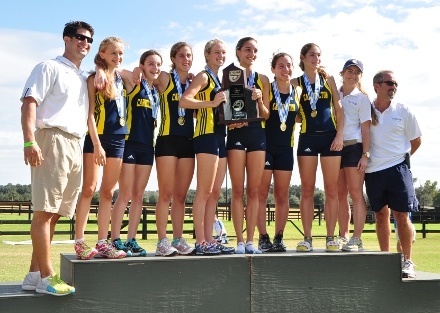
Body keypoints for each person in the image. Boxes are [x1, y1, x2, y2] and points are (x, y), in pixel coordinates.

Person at [20, 21, 94, 296]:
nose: (84, 43)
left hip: (76, 142)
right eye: (79, 37)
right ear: (66, 39)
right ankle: (48, 276)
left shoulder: (82, 76)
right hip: (52, 137)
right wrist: (29, 141)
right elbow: (29, 103)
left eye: (88, 40)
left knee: (55, 214)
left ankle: (34, 274)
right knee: (43, 211)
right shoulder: (48, 67)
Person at [74, 37, 128, 260]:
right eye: (113, 53)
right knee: (89, 188)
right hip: (96, 139)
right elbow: (89, 116)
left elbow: (137, 70)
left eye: (121, 53)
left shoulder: (122, 78)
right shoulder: (93, 79)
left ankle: (103, 242)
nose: (118, 57)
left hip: (118, 139)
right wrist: (97, 145)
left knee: (108, 192)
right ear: (103, 54)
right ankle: (79, 242)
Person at [365, 70, 421, 278]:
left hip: (398, 169)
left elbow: (416, 141)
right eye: (389, 83)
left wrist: (401, 159)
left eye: (395, 84)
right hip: (373, 171)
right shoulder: (366, 110)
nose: (393, 87)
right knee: (381, 216)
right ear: (376, 86)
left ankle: (407, 261)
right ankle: (385, 259)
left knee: (401, 215)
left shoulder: (403, 110)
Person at [180, 39, 234, 255]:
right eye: (216, 52)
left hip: (221, 136)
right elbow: (184, 101)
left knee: (214, 193)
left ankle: (210, 240)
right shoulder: (203, 76)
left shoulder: (221, 79)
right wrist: (211, 104)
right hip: (205, 135)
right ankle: (200, 242)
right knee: (203, 192)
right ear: (207, 54)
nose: (220, 56)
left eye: (223, 52)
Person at [291, 43, 344, 252]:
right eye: (312, 54)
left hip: (331, 138)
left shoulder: (328, 79)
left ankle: (331, 237)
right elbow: (292, 111)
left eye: (319, 55)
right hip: (307, 138)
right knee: (306, 190)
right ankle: (307, 238)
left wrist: (340, 135)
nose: (316, 58)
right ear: (303, 57)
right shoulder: (295, 82)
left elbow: (339, 111)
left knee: (332, 190)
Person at [109, 50, 162, 257]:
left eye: (158, 64)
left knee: (139, 195)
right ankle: (115, 239)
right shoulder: (134, 84)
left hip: (148, 147)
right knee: (126, 193)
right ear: (142, 65)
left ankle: (131, 239)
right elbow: (118, 71)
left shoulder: (157, 90)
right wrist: (135, 70)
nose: (155, 68)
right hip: (130, 144)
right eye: (150, 64)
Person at [227, 37, 270, 254]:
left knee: (253, 190)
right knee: (237, 190)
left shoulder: (262, 78)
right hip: (235, 133)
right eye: (247, 50)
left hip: (257, 135)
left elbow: (266, 114)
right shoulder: (228, 74)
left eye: (254, 50)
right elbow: (221, 106)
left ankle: (251, 241)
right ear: (238, 52)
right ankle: (239, 241)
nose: (251, 54)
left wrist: (260, 99)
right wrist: (231, 119)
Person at [153, 42, 196, 256]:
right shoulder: (164, 78)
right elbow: (144, 71)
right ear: (173, 58)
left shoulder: (194, 83)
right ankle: (162, 241)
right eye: (181, 55)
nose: (186, 59)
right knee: (166, 194)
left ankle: (178, 239)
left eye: (189, 56)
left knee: (181, 196)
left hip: (188, 141)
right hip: (167, 140)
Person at [257, 52, 300, 252]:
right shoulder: (267, 88)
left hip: (286, 150)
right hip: (265, 148)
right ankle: (263, 237)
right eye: (280, 66)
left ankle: (279, 237)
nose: (286, 69)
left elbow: (301, 117)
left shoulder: (297, 92)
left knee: (282, 196)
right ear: (273, 69)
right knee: (261, 194)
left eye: (289, 65)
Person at [336, 59, 371, 252]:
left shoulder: (362, 98)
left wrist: (365, 154)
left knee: (356, 194)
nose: (353, 75)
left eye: (357, 72)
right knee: (340, 194)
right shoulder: (335, 92)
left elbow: (366, 130)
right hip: (335, 148)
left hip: (354, 147)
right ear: (342, 73)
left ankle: (357, 238)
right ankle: (344, 235)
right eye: (350, 71)